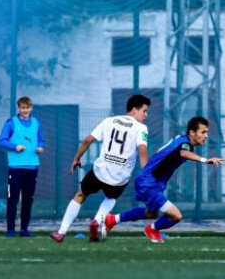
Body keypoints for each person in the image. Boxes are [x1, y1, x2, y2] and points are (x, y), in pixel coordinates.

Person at [101, 116, 224, 243]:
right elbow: (183, 153)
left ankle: (112, 220)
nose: (206, 136)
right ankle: (152, 230)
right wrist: (205, 160)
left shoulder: (181, 140)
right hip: (149, 183)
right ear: (192, 132)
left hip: (150, 181)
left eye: (207, 132)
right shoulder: (185, 144)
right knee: (176, 216)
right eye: (203, 132)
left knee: (151, 214)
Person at [50, 94, 150, 243]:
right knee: (111, 197)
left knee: (80, 195)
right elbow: (142, 151)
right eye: (144, 111)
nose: (146, 115)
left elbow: (87, 140)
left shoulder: (109, 121)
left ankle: (61, 232)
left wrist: (76, 158)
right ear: (134, 110)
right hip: (119, 178)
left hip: (99, 171)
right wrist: (145, 176)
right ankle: (96, 221)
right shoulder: (141, 128)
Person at [0, 96, 44, 237]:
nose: (25, 110)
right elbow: (2, 141)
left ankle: (24, 229)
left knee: (28, 199)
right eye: (22, 108)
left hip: (32, 167)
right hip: (15, 167)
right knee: (13, 199)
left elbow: (41, 140)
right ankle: (10, 229)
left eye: (27, 108)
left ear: (31, 108)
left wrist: (40, 148)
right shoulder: (11, 123)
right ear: (19, 108)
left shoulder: (36, 123)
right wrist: (15, 146)